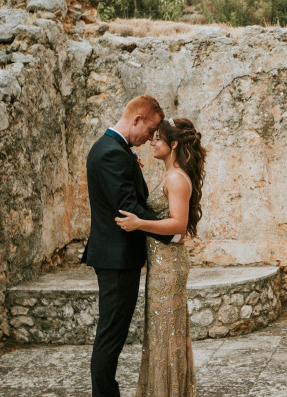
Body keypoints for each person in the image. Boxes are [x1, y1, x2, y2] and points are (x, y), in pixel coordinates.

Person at [82, 95, 177, 397]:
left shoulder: (114, 149)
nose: (150, 138)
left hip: (118, 257)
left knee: (113, 334)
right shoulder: (112, 152)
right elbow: (127, 208)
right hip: (117, 259)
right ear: (137, 119)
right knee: (111, 336)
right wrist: (171, 232)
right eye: (149, 130)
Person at [115, 117, 207, 397]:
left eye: (157, 138)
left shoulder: (177, 178)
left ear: (174, 144)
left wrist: (139, 224)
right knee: (161, 331)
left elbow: (178, 225)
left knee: (167, 331)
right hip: (160, 263)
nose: (152, 143)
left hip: (169, 265)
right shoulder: (170, 175)